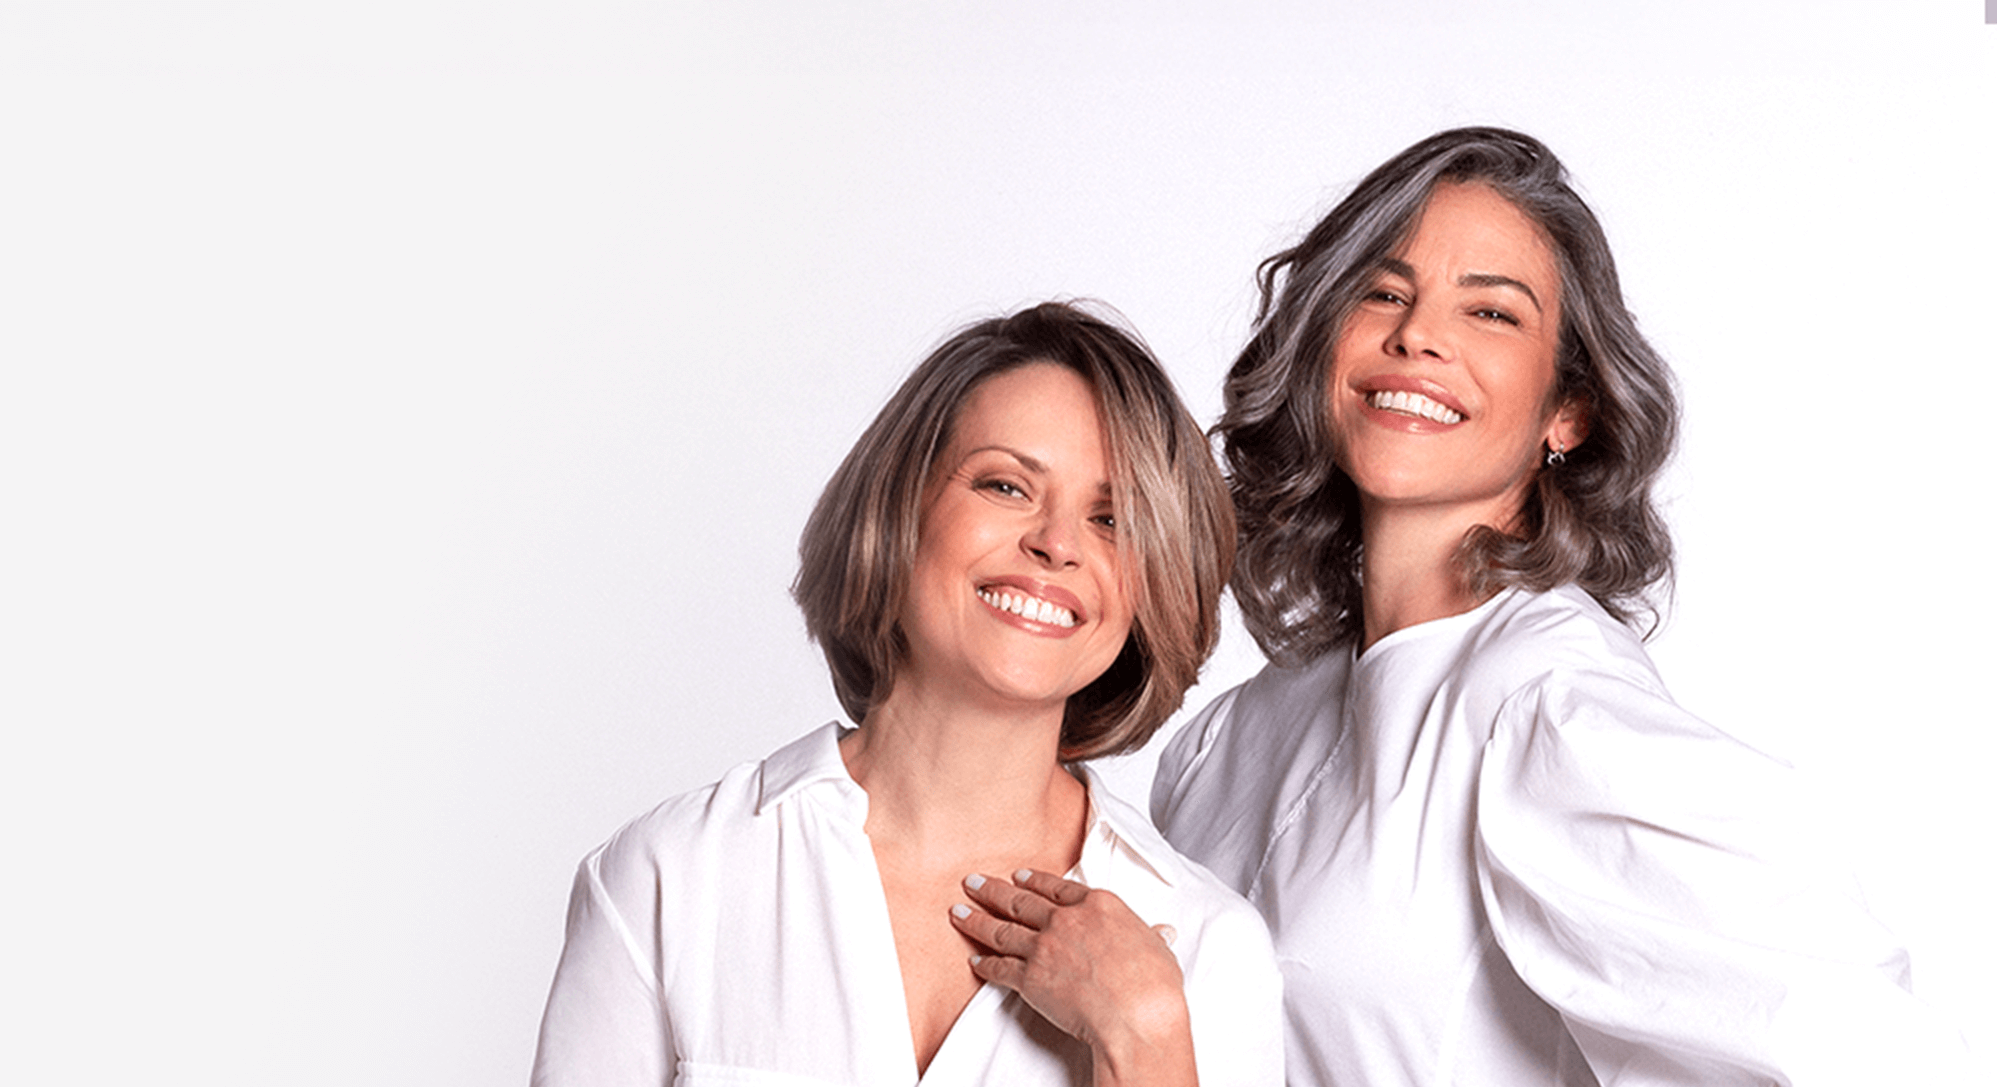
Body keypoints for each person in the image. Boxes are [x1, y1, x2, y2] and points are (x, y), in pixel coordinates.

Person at [990, 126, 1961, 1082]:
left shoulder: (1558, 714)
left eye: (1491, 313)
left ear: (1568, 411)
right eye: (1383, 293)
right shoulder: (1227, 744)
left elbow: (1866, 1052)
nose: (1418, 334)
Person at [530, 303, 1283, 1087]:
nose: (1057, 543)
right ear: (900, 505)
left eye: (1112, 519)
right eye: (1006, 485)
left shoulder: (1205, 950)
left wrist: (1150, 1043)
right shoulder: (672, 878)